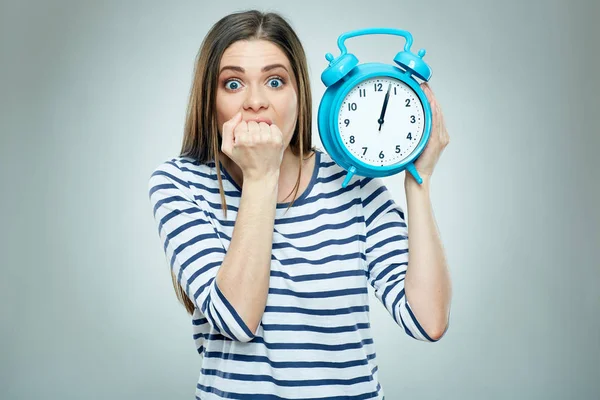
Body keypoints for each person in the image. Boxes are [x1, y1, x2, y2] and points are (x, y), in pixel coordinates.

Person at [147, 9, 452, 399]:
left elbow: (427, 321)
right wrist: (261, 175)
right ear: (210, 99)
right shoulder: (179, 184)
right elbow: (236, 319)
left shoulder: (355, 187)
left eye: (275, 81)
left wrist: (419, 182)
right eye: (234, 83)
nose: (256, 101)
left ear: (299, 94)